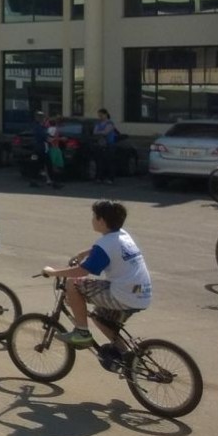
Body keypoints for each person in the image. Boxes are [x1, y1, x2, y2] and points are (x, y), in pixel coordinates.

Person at [40, 200, 151, 351]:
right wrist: (84, 253)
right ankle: (127, 355)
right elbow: (107, 249)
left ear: (102, 221)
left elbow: (81, 271)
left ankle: (82, 333)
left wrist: (53, 273)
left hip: (124, 294)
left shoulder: (104, 245)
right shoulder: (122, 235)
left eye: (94, 216)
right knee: (99, 317)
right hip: (141, 291)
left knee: (73, 283)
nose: (92, 219)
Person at [28, 111, 63, 190]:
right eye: (42, 117)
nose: (44, 119)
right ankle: (35, 181)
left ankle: (52, 182)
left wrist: (52, 138)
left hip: (43, 149)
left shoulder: (43, 127)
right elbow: (46, 138)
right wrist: (57, 139)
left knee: (46, 165)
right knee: (37, 165)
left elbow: (48, 136)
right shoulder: (38, 127)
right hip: (39, 150)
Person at [92, 108, 119, 185]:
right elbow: (95, 132)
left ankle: (110, 178)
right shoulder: (98, 123)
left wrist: (99, 132)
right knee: (100, 162)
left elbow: (106, 132)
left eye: (101, 115)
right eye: (99, 115)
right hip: (100, 144)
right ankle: (100, 177)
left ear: (106, 114)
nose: (100, 117)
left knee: (109, 162)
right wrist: (100, 132)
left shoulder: (110, 123)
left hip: (109, 145)